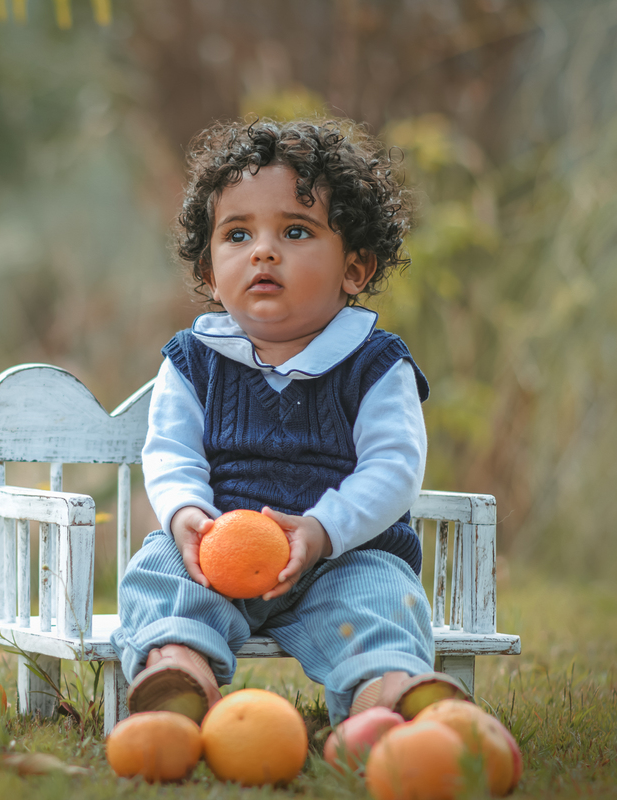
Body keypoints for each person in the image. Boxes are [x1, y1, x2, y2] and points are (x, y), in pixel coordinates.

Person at [109, 117, 468, 726]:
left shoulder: (375, 364)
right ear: (209, 273)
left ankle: (385, 695)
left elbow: (394, 467)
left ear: (355, 268)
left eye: (296, 231)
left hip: (344, 555)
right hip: (221, 548)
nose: (263, 251)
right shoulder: (193, 360)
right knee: (161, 571)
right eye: (237, 234)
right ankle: (178, 669)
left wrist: (324, 530)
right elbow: (170, 453)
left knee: (383, 599)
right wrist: (186, 514)